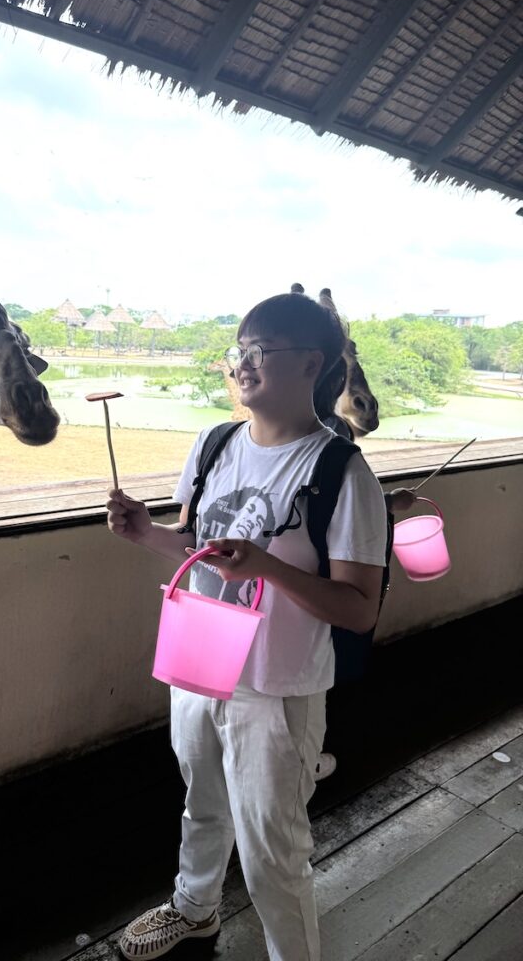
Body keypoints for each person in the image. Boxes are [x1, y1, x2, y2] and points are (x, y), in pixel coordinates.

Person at [106, 292, 389, 961]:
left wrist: (269, 568)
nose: (244, 363)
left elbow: (358, 608)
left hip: (276, 687)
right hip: (200, 660)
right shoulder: (214, 444)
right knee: (202, 803)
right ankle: (194, 910)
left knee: (273, 854)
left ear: (310, 363)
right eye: (241, 350)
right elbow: (201, 550)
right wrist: (148, 534)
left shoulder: (340, 474)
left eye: (261, 350)